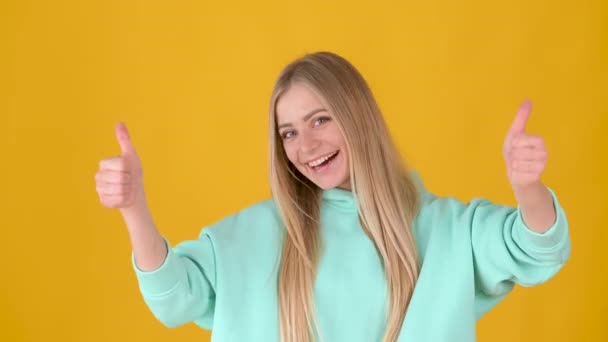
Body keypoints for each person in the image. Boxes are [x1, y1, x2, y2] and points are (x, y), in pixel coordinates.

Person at [95, 51, 571, 342]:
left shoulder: (445, 229)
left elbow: (538, 247)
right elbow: (174, 299)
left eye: (320, 120)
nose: (306, 147)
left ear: (357, 116)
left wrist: (527, 187)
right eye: (289, 133)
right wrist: (134, 208)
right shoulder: (252, 236)